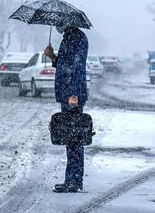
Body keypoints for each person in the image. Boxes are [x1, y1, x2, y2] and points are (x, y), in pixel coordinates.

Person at [44, 25, 89, 193]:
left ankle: (74, 181)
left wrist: (73, 93)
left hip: (72, 96)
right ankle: (71, 179)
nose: (57, 25)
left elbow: (77, 66)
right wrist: (52, 57)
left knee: (74, 139)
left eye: (60, 22)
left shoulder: (76, 38)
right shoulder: (69, 37)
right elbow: (65, 64)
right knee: (71, 138)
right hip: (67, 94)